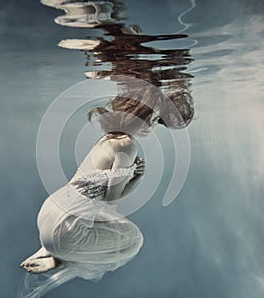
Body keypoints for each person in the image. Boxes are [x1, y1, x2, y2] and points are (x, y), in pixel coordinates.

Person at [18, 85, 193, 297]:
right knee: (133, 241)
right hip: (66, 231)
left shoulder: (108, 138)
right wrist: (138, 178)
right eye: (149, 116)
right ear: (135, 112)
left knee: (105, 220)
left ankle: (49, 251)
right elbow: (111, 198)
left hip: (49, 213)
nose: (151, 126)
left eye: (156, 120)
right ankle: (61, 261)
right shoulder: (127, 145)